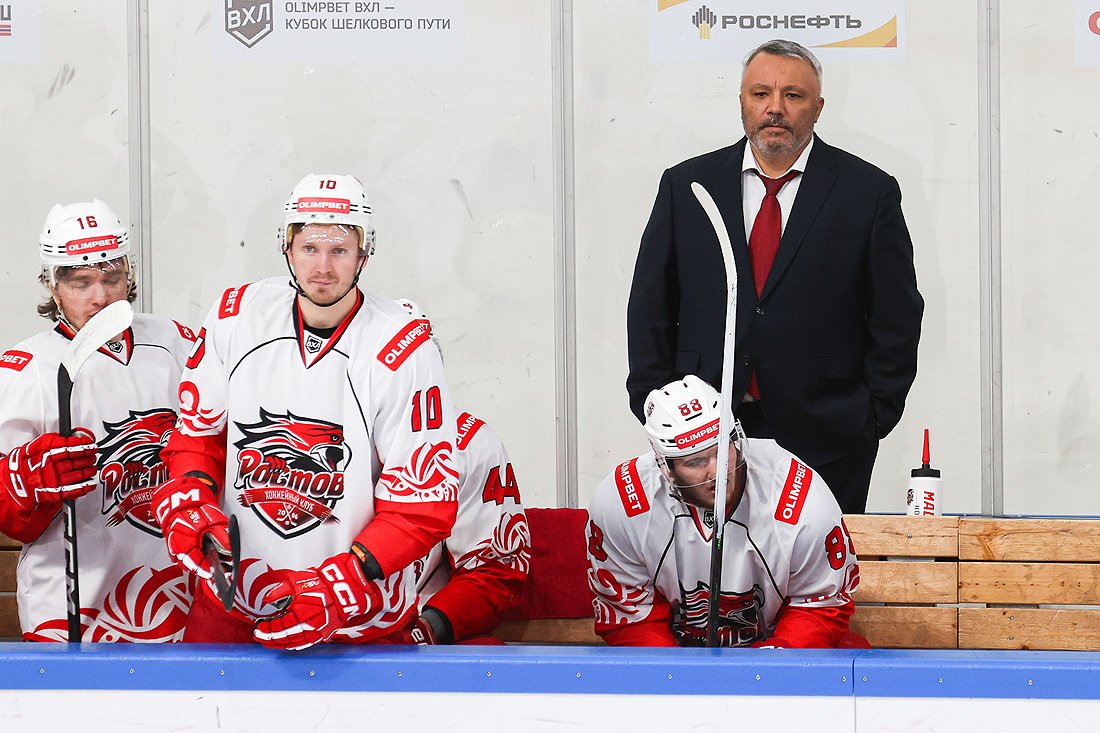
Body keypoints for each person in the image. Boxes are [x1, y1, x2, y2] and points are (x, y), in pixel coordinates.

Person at [154, 174, 461, 650]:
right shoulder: (237, 315)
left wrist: (345, 583)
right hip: (231, 601)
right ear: (286, 247)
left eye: (339, 250)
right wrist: (190, 496)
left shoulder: (404, 345)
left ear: (365, 253)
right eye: (309, 247)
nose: (322, 267)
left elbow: (422, 506)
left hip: (356, 616)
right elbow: (198, 437)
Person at [626, 39, 924, 513]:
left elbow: (897, 315)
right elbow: (651, 304)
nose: (775, 108)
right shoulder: (687, 186)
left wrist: (870, 414)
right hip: (701, 432)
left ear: (819, 107)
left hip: (828, 431)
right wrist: (650, 397)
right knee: (711, 575)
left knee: (816, 575)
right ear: (742, 101)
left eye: (794, 95)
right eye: (761, 94)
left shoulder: (868, 192)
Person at [0, 199, 197, 641]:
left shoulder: (177, 343)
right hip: (71, 597)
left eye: (113, 278)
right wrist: (24, 481)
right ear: (53, 287)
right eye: (82, 282)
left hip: (173, 585)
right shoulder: (23, 368)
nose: (101, 297)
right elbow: (11, 515)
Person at [587, 375, 863, 647]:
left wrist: (763, 670)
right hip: (678, 655)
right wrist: (673, 678)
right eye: (695, 462)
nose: (717, 472)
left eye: (721, 450)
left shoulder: (800, 498)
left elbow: (817, 607)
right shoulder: (621, 502)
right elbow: (633, 618)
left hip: (773, 652)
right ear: (666, 467)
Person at [394, 298, 530, 645]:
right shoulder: (307, 438)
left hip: (407, 628)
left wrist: (429, 628)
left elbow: (496, 568)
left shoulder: (469, 442)